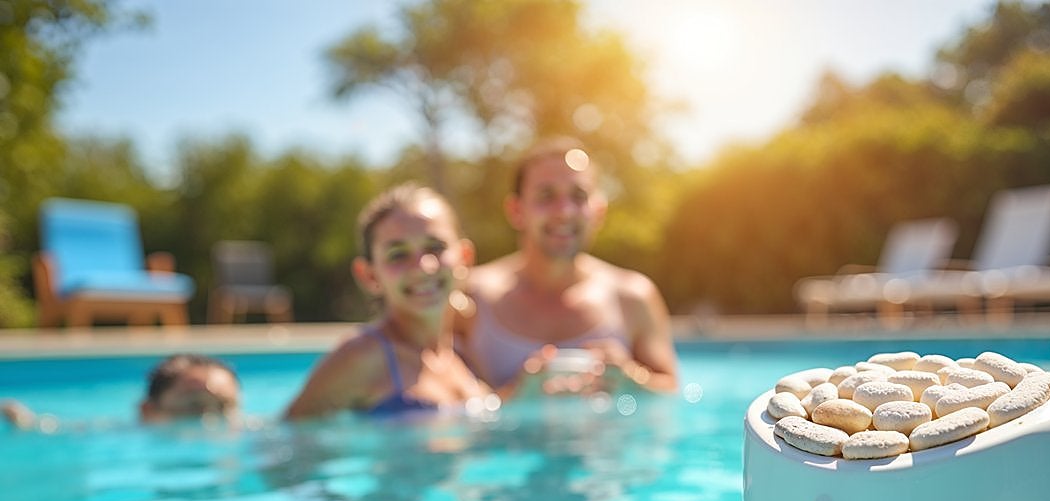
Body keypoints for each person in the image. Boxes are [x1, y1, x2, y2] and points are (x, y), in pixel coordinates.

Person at [456, 137, 679, 395]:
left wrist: (632, 378)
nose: (564, 211)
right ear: (516, 210)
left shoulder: (632, 296)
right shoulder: (471, 298)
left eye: (578, 196)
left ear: (598, 211)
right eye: (546, 195)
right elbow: (444, 399)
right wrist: (516, 394)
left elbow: (672, 394)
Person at [284, 183, 496, 419]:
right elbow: (286, 442)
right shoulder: (363, 356)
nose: (422, 267)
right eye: (398, 254)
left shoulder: (459, 359)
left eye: (435, 247)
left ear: (464, 258)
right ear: (369, 275)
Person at [3, 353, 242, 431]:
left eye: (224, 406)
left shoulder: (249, 430)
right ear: (147, 411)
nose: (210, 420)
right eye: (193, 406)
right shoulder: (122, 434)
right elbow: (54, 429)